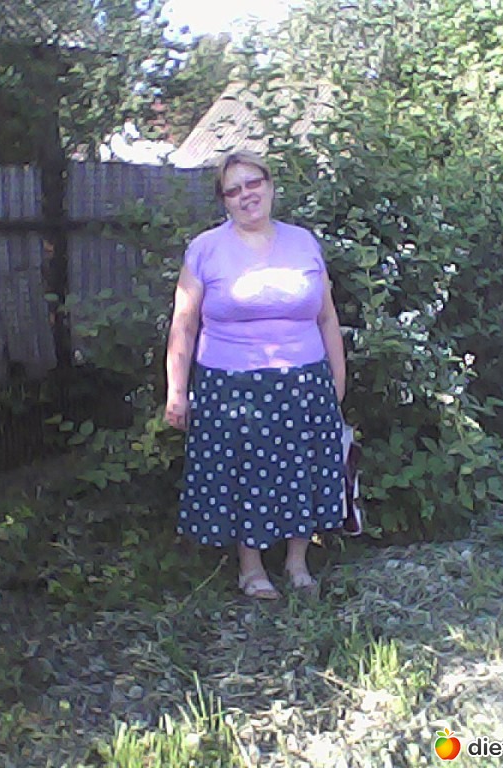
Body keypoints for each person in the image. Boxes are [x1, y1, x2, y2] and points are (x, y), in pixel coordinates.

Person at [165, 150, 346, 600]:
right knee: (245, 475)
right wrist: (176, 391)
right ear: (224, 200)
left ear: (270, 185)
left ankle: (297, 562)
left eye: (253, 183)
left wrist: (337, 381)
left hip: (305, 381)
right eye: (234, 190)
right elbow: (183, 324)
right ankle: (251, 568)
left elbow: (327, 318)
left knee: (303, 468)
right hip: (231, 386)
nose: (246, 195)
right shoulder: (206, 249)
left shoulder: (304, 242)